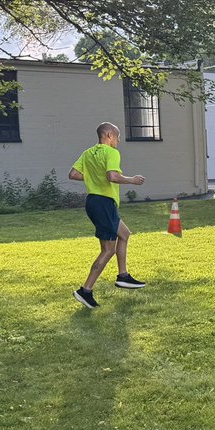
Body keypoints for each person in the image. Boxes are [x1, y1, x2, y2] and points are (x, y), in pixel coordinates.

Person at [70, 121, 146, 309]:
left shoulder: (88, 153)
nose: (119, 141)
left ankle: (123, 276)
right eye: (118, 137)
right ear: (109, 135)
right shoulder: (111, 153)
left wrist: (94, 177)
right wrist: (132, 180)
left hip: (95, 202)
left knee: (124, 234)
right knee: (108, 250)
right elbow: (112, 176)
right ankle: (85, 290)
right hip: (103, 203)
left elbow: (73, 174)